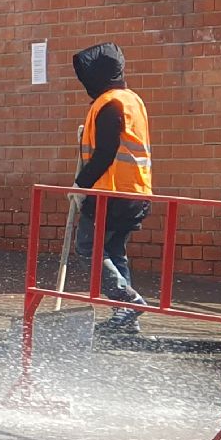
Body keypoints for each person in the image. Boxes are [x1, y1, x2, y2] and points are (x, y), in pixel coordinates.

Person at [71, 42, 153, 333]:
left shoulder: (109, 104)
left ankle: (127, 300)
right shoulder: (133, 100)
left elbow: (106, 152)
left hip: (112, 193)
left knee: (88, 247)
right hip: (137, 193)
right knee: (114, 251)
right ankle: (126, 319)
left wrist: (81, 185)